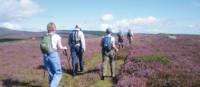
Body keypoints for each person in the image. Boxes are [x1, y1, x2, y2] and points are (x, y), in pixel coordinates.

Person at [41, 22, 67, 87]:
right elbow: (60, 47)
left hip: (45, 56)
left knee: (51, 73)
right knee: (58, 73)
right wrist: (65, 47)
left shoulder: (44, 36)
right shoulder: (57, 36)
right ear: (54, 28)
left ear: (48, 28)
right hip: (53, 55)